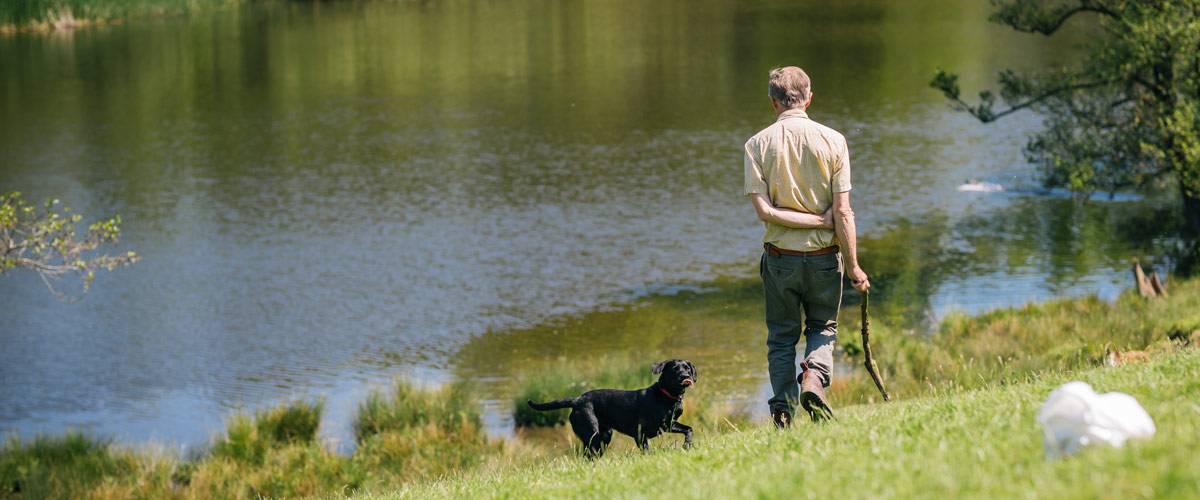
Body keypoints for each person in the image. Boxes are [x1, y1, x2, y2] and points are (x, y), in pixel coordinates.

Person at [743, 66, 870, 427]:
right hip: (824, 260)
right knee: (823, 327)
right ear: (809, 97)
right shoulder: (834, 140)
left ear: (773, 102)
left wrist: (809, 220)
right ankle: (814, 378)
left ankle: (782, 410)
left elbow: (764, 211)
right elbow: (843, 211)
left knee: (782, 337)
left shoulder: (756, 144)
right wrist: (855, 265)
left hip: (780, 260)